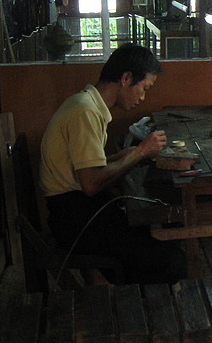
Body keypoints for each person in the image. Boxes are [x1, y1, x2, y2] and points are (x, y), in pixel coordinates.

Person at [39, 43, 187, 285]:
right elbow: (91, 183)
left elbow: (88, 168)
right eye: (144, 88)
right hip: (76, 220)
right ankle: (138, 314)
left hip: (77, 211)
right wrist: (139, 152)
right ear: (126, 78)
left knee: (151, 232)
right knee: (171, 261)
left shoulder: (86, 104)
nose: (143, 97)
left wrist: (125, 155)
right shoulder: (85, 112)